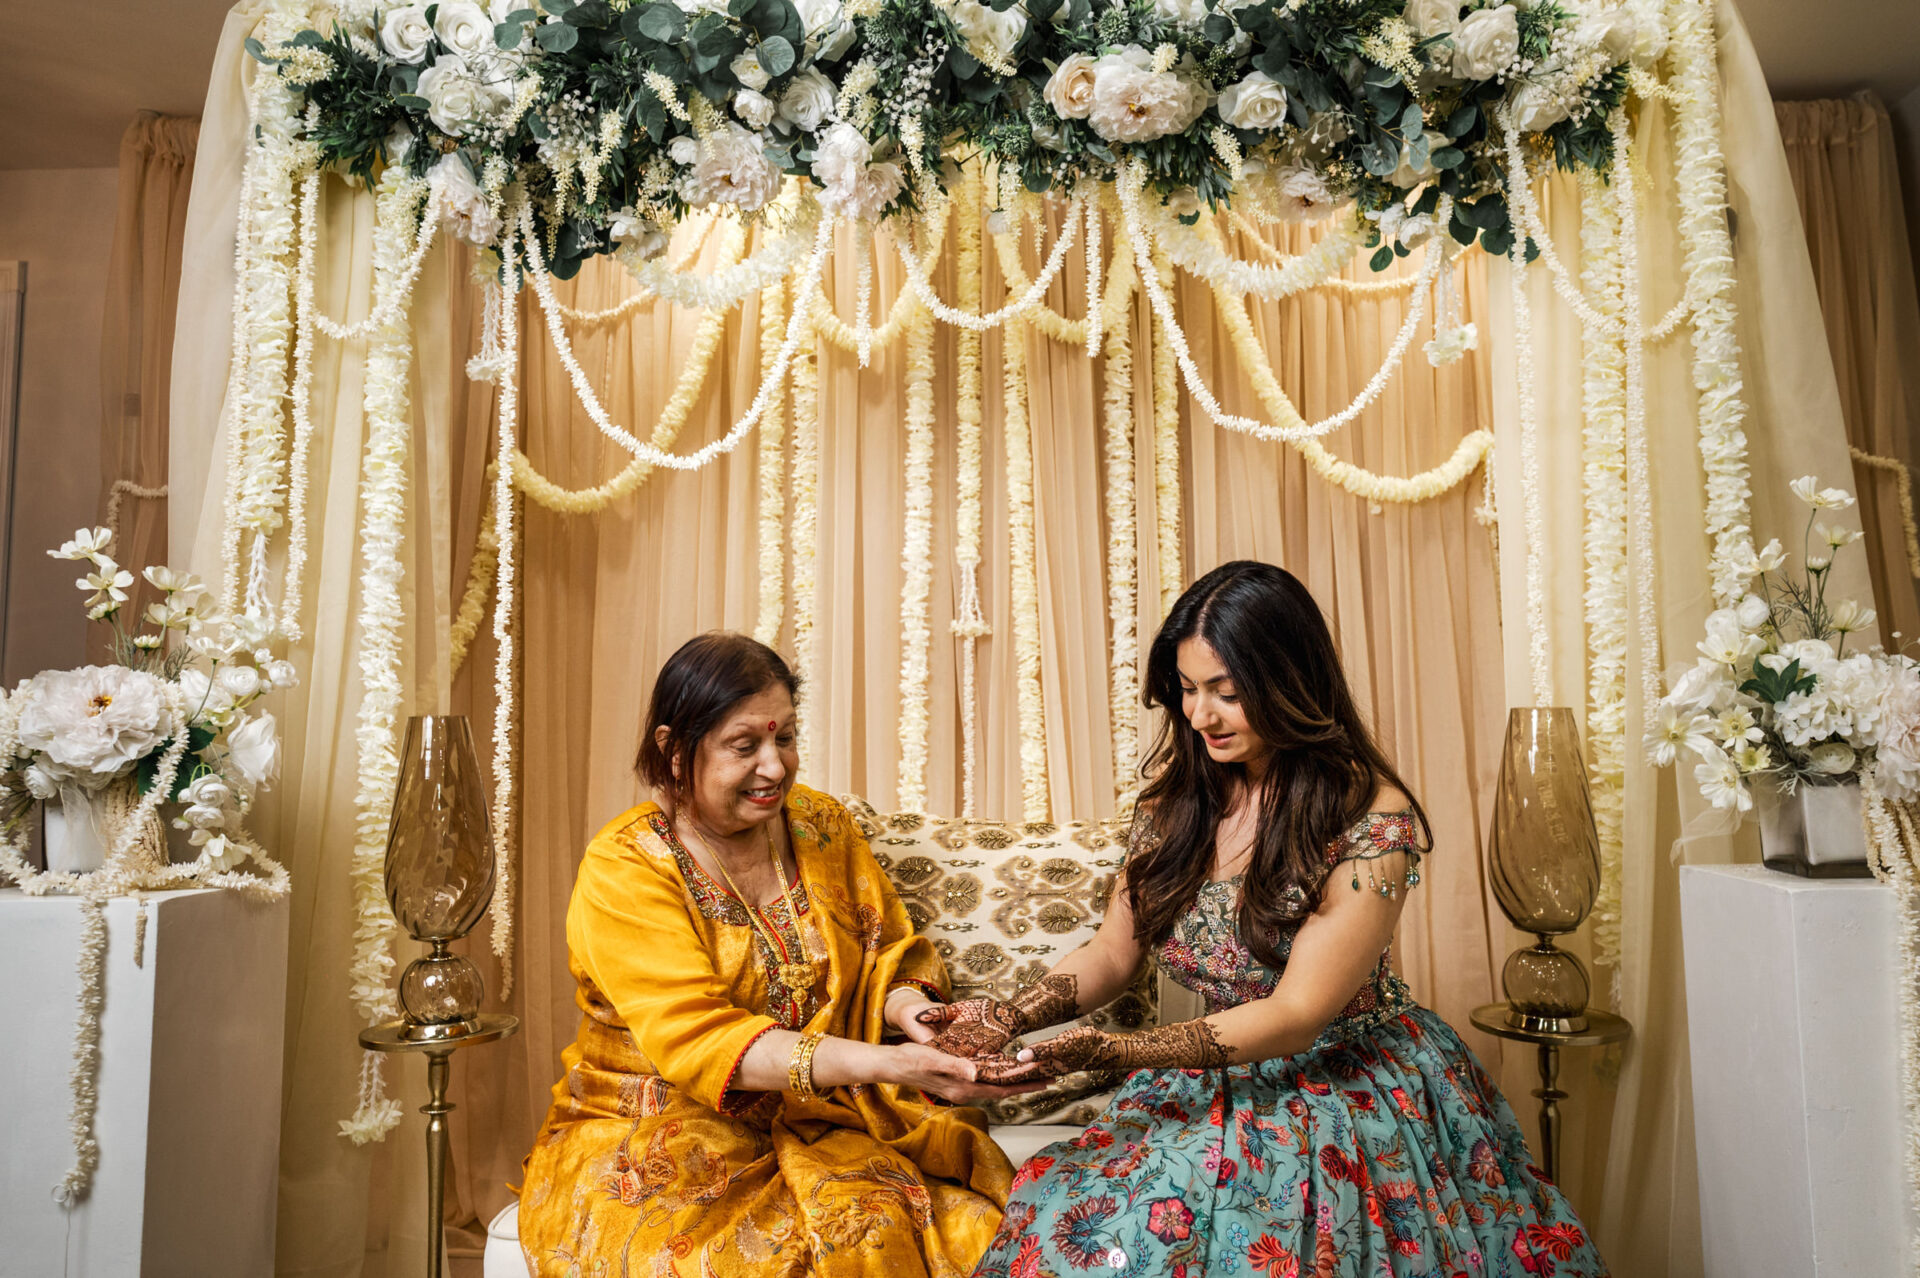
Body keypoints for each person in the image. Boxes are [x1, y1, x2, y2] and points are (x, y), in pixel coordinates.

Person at [933, 561, 1609, 1278]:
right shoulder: (1179, 805)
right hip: (1205, 1072)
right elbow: (1112, 951)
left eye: (1227, 693)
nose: (1200, 717)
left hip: (1342, 1087)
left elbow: (1297, 1014)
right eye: (1188, 691)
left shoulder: (1368, 818)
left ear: (1291, 683)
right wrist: (1011, 1015)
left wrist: (1113, 1052)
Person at [517, 632, 1036, 1276]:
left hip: (827, 1111)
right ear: (673, 750)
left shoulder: (819, 824)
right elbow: (702, 1040)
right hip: (658, 1130)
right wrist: (889, 1066)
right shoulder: (626, 868)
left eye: (785, 738)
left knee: (970, 1233)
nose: (774, 767)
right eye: (745, 746)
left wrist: (907, 1011)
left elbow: (885, 951)